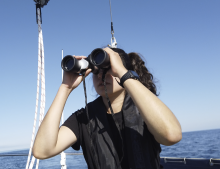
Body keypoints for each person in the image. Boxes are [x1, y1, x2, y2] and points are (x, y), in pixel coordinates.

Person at [32, 47, 182, 169]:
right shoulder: (83, 118)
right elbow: (42, 150)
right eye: (95, 71)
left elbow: (172, 136)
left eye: (107, 69)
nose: (100, 76)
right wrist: (65, 88)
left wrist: (123, 74)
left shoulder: (145, 109)